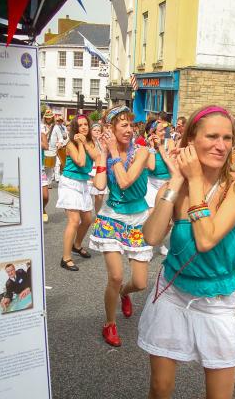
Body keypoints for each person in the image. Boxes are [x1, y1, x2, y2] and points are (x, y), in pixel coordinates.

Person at [139, 105, 235, 399]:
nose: (221, 145)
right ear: (191, 139)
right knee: (159, 388)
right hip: (173, 292)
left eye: (227, 138)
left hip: (215, 300)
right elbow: (152, 236)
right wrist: (177, 181)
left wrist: (193, 182)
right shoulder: (177, 184)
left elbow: (206, 239)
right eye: (212, 136)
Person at [89, 105, 152, 347]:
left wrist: (113, 150)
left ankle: (125, 294)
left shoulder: (142, 152)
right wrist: (103, 156)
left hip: (138, 218)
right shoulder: (105, 151)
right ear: (111, 129)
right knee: (115, 276)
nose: (129, 129)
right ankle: (109, 323)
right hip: (111, 217)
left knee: (140, 283)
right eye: (123, 125)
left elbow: (125, 182)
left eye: (130, 125)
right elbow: (100, 185)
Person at [56, 115, 98, 271]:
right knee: (74, 221)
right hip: (69, 183)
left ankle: (77, 245)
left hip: (83, 183)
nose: (84, 127)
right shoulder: (71, 144)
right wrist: (80, 143)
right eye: (80, 125)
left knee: (87, 220)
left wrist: (86, 143)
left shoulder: (90, 142)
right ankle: (65, 258)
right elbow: (80, 162)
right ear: (75, 128)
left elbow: (97, 157)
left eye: (86, 124)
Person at [145, 120, 174, 256]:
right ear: (153, 133)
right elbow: (151, 167)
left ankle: (160, 241)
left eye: (164, 130)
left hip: (167, 182)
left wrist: (162, 149)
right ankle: (148, 246)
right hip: (151, 183)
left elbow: (172, 166)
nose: (164, 132)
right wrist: (152, 147)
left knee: (168, 222)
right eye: (160, 130)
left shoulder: (170, 143)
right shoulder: (147, 146)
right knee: (152, 215)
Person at [89, 123, 108, 213]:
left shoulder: (103, 142)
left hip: (100, 170)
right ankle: (86, 215)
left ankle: (97, 215)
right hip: (90, 171)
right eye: (94, 130)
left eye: (98, 130)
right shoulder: (88, 142)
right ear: (91, 131)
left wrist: (100, 142)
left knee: (100, 196)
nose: (97, 132)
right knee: (88, 195)